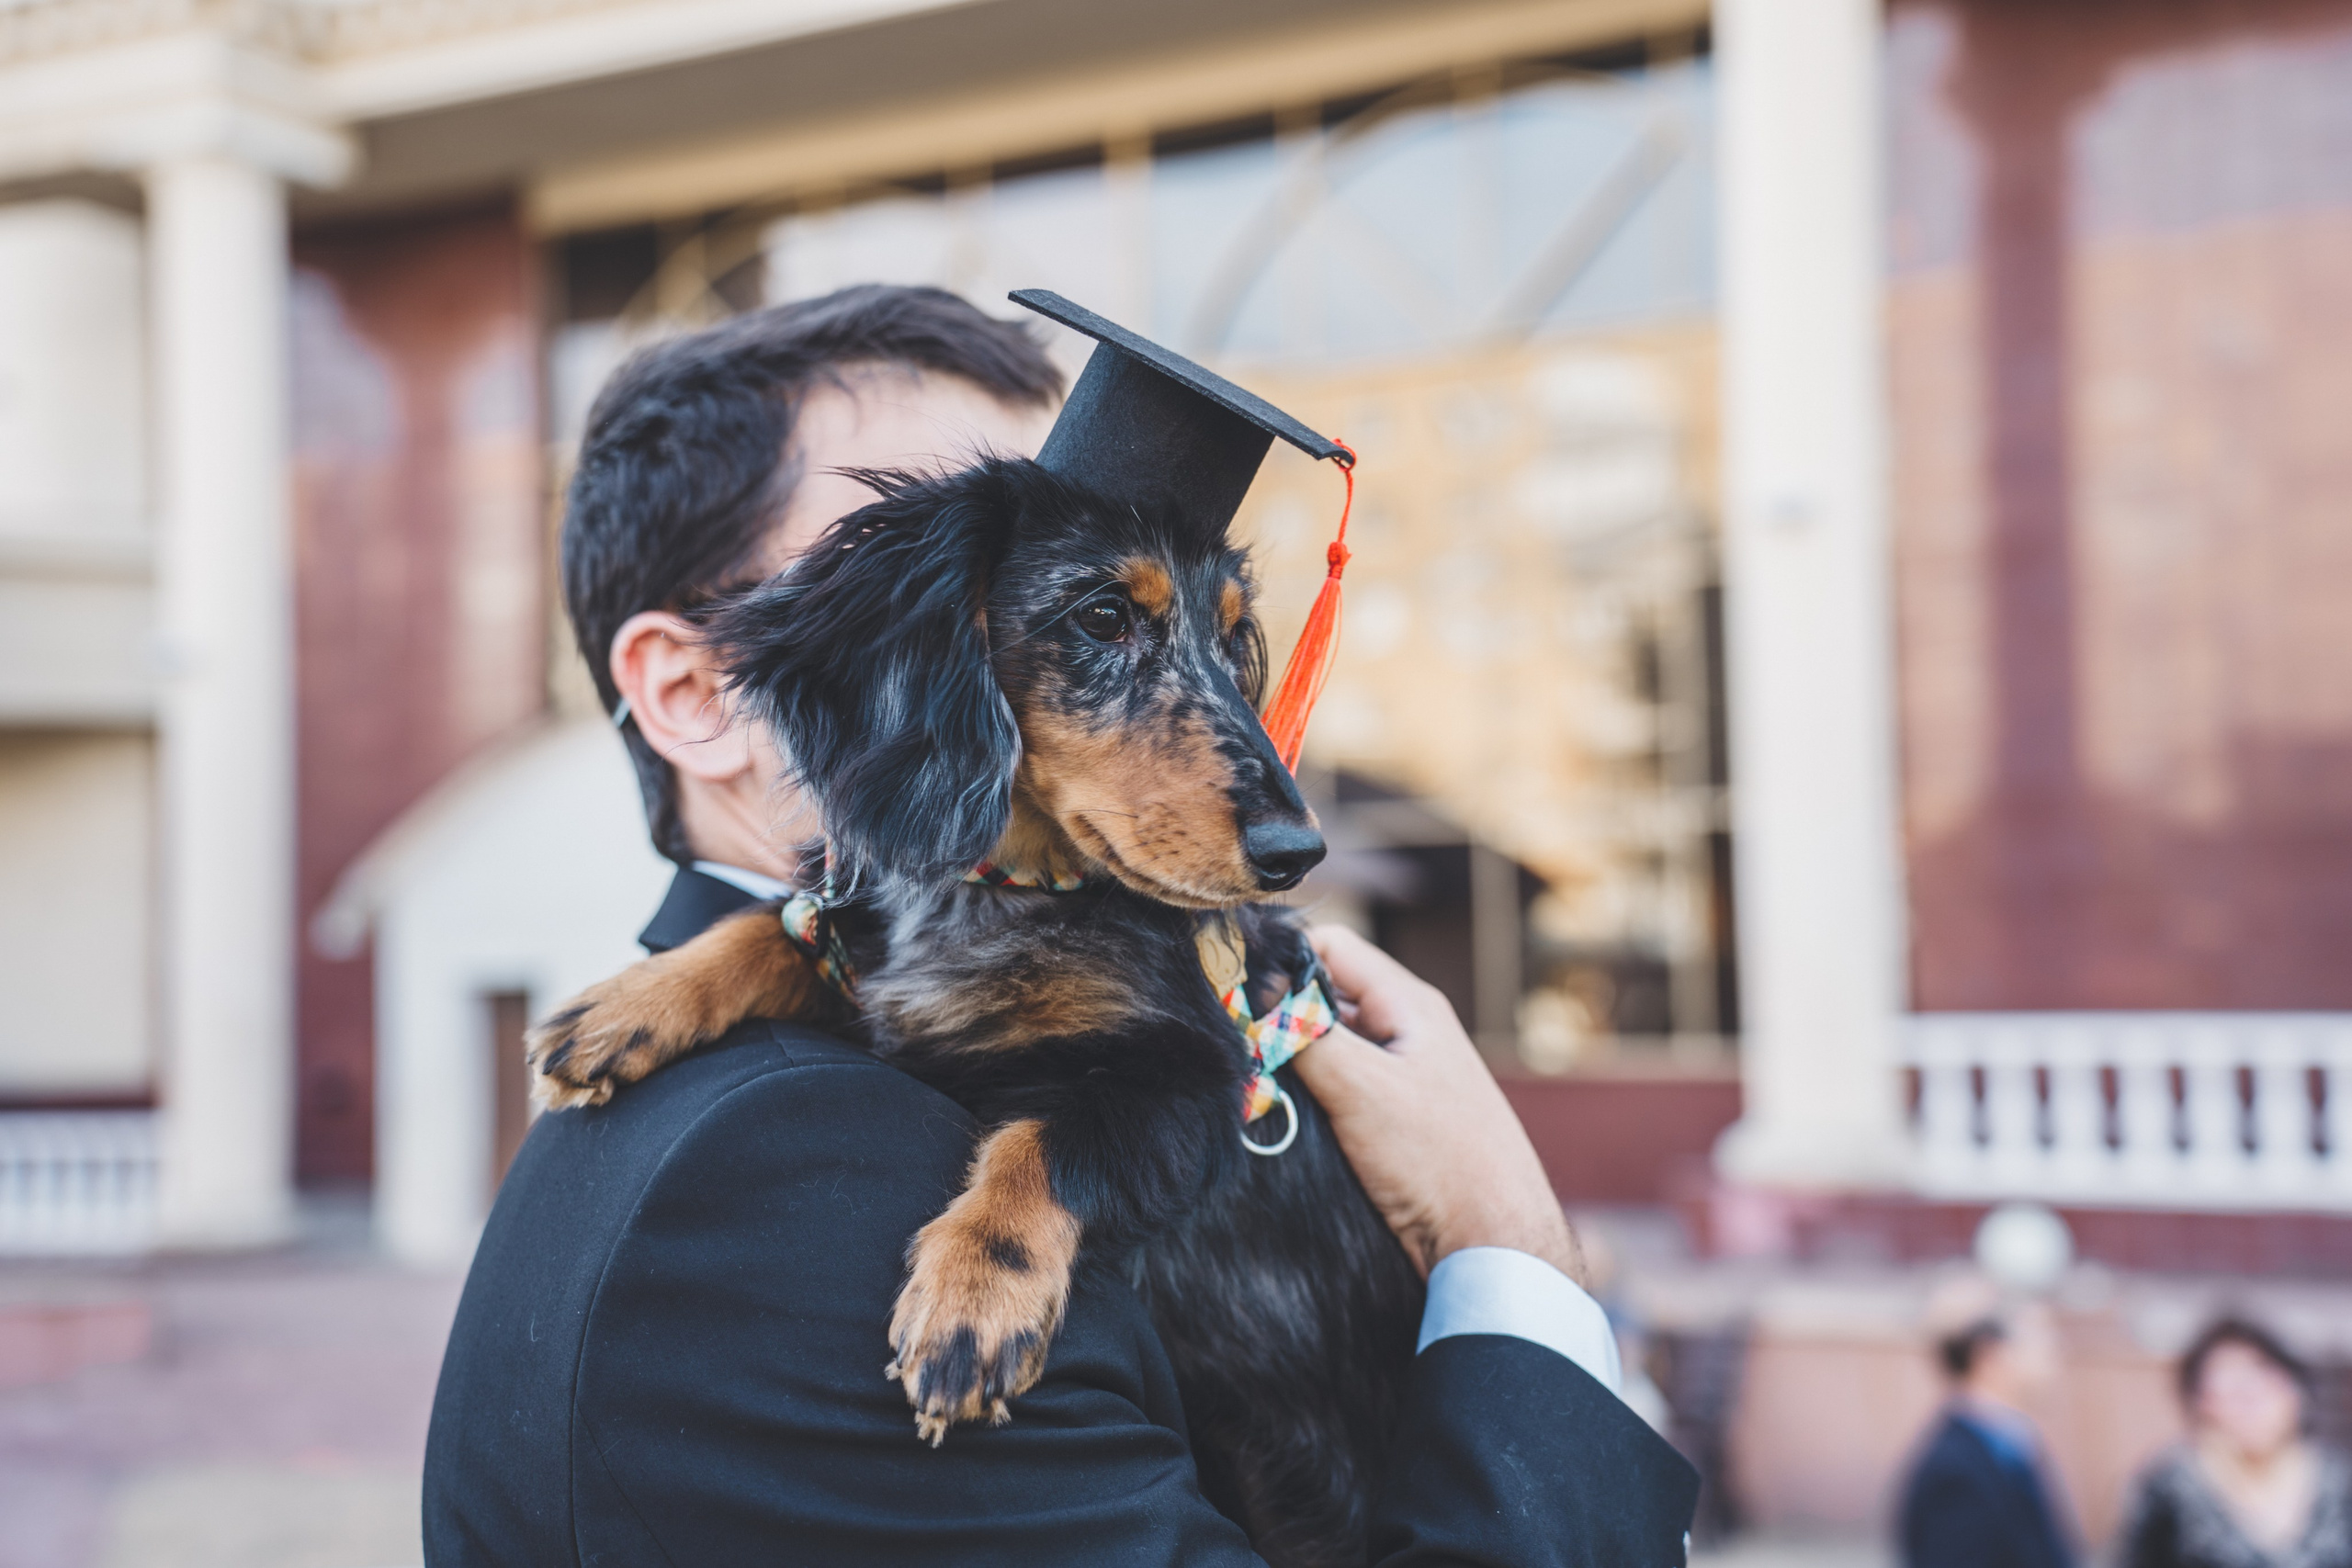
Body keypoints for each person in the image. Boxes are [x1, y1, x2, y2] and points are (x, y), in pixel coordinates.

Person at [422, 284, 1698, 1564]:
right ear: (693, 687)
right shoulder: (771, 1168)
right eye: (891, 533)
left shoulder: (910, 1011)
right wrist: (1511, 1249)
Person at [2116, 1317, 2352, 1568]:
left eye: (2263, 1378)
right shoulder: (2169, 1487)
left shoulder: (2340, 1479)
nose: (2250, 1400)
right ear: (2200, 1404)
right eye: (2228, 1387)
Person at [1898, 1310, 2075, 1568]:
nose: (2053, 1363)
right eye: (2039, 1346)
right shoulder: (1955, 1472)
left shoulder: (2009, 1448)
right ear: (1990, 1356)